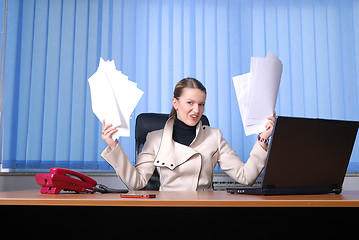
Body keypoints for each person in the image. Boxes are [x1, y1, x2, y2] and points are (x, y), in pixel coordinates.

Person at [101, 78, 275, 191]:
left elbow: (246, 177)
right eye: (190, 103)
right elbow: (136, 183)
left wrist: (263, 138)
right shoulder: (155, 138)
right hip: (167, 211)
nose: (196, 110)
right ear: (175, 103)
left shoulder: (214, 136)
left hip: (204, 210)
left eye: (201, 104)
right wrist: (113, 145)